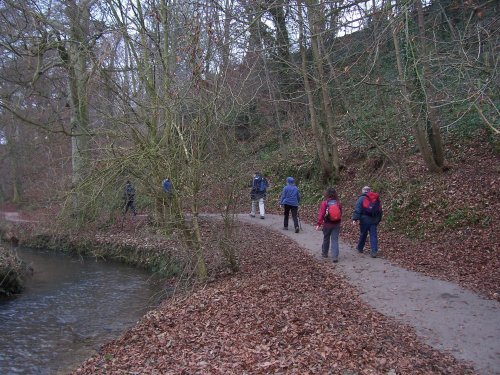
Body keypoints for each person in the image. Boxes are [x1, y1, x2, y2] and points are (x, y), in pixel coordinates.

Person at [352, 186, 383, 258]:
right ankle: (374, 251)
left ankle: (360, 248)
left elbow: (358, 209)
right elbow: (380, 210)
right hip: (373, 220)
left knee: (363, 234)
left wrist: (355, 219)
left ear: (363, 191)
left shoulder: (361, 198)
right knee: (373, 235)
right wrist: (378, 220)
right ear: (370, 191)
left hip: (364, 220)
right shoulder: (376, 198)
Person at [315, 187, 342, 263]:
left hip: (327, 224)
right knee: (335, 240)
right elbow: (340, 213)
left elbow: (321, 214)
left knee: (326, 238)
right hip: (336, 223)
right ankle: (335, 256)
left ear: (326, 194)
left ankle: (324, 253)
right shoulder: (338, 203)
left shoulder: (325, 203)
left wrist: (318, 224)